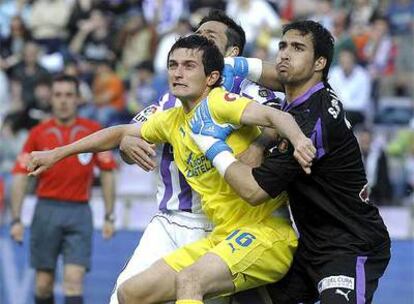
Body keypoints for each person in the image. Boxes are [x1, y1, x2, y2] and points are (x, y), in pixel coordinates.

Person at [26, 35, 315, 304]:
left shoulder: (219, 103)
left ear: (212, 77)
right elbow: (119, 132)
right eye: (173, 65)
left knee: (189, 281)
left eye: (189, 66)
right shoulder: (172, 120)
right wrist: (57, 154)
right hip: (219, 236)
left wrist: (300, 140)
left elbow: (273, 115)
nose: (178, 73)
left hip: (263, 233)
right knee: (130, 293)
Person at [189, 20, 391, 304]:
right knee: (246, 297)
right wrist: (227, 65)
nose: (284, 53)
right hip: (310, 244)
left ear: (320, 62)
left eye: (297, 48)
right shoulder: (301, 92)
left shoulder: (312, 122)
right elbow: (269, 73)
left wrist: (210, 142)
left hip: (350, 245)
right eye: (282, 45)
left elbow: (252, 192)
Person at [114, 9, 285, 304]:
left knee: (194, 291)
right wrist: (125, 145)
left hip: (224, 224)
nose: (198, 38)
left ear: (231, 53)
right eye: (197, 33)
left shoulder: (254, 95)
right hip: (170, 217)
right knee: (123, 295)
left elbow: (287, 118)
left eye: (209, 36)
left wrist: (259, 146)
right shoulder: (170, 98)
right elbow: (132, 137)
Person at [10, 74, 117, 304]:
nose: (63, 100)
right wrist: (16, 219)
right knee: (43, 283)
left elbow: (108, 172)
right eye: (58, 95)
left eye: (69, 95)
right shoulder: (38, 133)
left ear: (78, 99)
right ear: (51, 99)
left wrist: (109, 215)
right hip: (45, 210)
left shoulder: (94, 131)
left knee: (73, 280)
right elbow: (20, 176)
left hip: (79, 212)